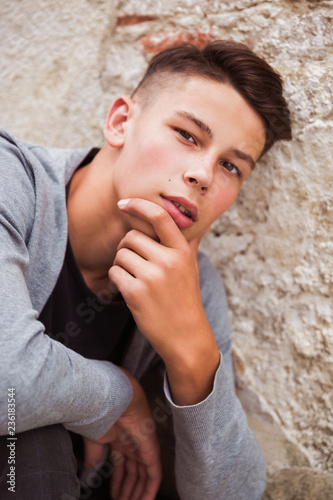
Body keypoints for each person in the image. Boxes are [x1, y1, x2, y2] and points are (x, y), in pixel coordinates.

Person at [0, 40, 292, 500]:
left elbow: (236, 493)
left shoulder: (190, 284)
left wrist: (193, 356)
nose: (202, 174)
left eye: (231, 166)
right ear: (120, 122)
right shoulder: (10, 180)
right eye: (188, 135)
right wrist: (124, 396)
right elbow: (8, 384)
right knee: (35, 435)